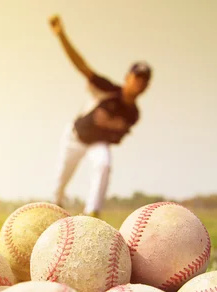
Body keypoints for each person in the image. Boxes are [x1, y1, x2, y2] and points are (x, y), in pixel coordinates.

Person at [48, 14, 153, 218]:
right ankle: (55, 206)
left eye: (144, 81)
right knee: (60, 180)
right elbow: (81, 66)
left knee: (103, 163)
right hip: (75, 137)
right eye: (136, 78)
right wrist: (62, 36)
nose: (139, 83)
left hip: (97, 143)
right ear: (127, 78)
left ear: (147, 86)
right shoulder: (107, 89)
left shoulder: (133, 114)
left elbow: (115, 137)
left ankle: (92, 212)